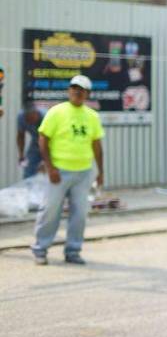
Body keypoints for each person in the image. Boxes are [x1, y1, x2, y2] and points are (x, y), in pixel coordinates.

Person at [31, 75, 106, 266]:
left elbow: (97, 145)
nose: (77, 92)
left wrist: (100, 172)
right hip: (59, 171)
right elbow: (43, 139)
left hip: (83, 173)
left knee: (79, 214)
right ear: (69, 90)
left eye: (81, 90)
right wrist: (50, 167)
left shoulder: (92, 116)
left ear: (88, 94)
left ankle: (73, 251)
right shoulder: (57, 112)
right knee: (50, 211)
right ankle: (40, 249)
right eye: (74, 88)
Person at [17, 102, 46, 179]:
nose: (30, 122)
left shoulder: (46, 116)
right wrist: (21, 154)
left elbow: (51, 139)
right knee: (29, 167)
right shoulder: (21, 117)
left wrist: (46, 161)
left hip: (51, 143)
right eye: (27, 120)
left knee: (50, 168)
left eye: (32, 119)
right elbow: (20, 136)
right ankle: (28, 183)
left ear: (36, 114)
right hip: (35, 142)